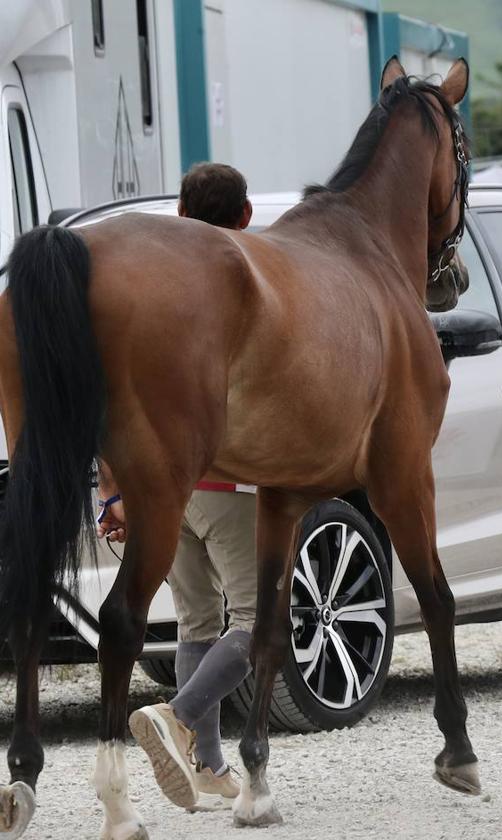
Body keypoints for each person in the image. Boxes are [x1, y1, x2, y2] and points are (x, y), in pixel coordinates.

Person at [97, 162, 257, 812]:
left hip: (167, 489)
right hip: (230, 481)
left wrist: (115, 490)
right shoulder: (247, 284)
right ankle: (178, 716)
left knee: (196, 618)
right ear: (244, 219)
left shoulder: (152, 291)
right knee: (258, 619)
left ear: (182, 215)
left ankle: (210, 766)